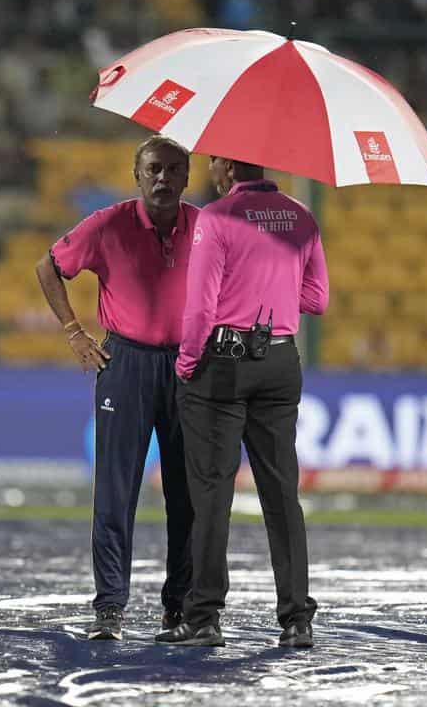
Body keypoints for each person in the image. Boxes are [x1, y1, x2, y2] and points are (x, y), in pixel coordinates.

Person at [33, 135, 199, 641]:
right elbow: (48, 267)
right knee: (115, 492)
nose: (163, 178)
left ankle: (181, 607)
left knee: (187, 495)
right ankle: (110, 608)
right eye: (153, 169)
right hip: (125, 362)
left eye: (173, 170)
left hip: (188, 366)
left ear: (187, 178)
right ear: (136, 174)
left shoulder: (206, 227)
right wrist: (73, 332)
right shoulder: (108, 224)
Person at [157, 156, 327, 649]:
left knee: (212, 492)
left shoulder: (216, 217)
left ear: (228, 167)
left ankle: (205, 616)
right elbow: (317, 298)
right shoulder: (301, 216)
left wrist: (187, 365)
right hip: (280, 360)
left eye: (213, 162)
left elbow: (201, 306)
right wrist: (269, 291)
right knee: (281, 495)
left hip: (222, 365)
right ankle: (297, 619)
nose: (210, 171)